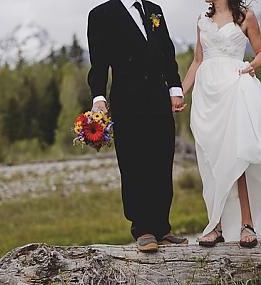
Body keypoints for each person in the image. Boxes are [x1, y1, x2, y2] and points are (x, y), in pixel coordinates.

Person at [87, 0, 188, 252]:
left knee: (162, 160)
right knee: (134, 163)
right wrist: (98, 97)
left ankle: (162, 228)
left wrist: (175, 88)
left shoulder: (154, 10)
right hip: (127, 101)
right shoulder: (101, 14)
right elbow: (98, 62)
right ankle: (142, 229)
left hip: (158, 98)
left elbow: (167, 52)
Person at [183, 0, 261, 248]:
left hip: (235, 88)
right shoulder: (202, 20)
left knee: (237, 157)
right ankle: (215, 225)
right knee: (211, 160)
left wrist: (250, 66)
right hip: (207, 95)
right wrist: (180, 92)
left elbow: (260, 52)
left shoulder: (246, 16)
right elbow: (197, 60)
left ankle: (247, 223)